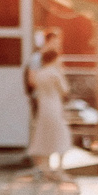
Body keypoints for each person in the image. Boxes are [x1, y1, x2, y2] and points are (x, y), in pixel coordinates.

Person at [27, 39, 72, 178]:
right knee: (62, 136)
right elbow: (65, 90)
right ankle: (59, 169)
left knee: (44, 136)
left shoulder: (39, 74)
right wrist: (62, 73)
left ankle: (46, 168)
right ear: (55, 59)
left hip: (43, 108)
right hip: (54, 106)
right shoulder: (55, 73)